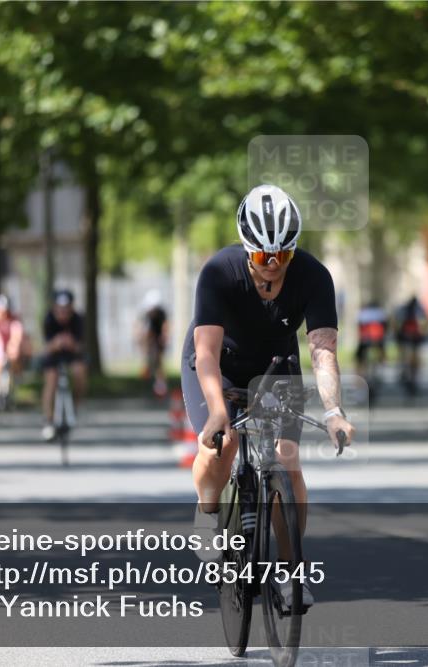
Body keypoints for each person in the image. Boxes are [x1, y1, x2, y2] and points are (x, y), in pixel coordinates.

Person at [182, 184, 355, 610]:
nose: (273, 265)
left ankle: (290, 570)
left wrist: (334, 410)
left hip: (276, 365)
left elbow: (322, 350)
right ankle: (206, 515)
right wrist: (218, 412)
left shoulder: (313, 276)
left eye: (283, 255)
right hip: (217, 362)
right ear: (247, 250)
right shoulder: (219, 272)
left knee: (287, 457)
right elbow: (205, 353)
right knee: (221, 443)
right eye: (263, 256)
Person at [41, 289, 86, 441]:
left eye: (66, 311)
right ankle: (49, 419)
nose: (63, 315)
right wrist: (56, 343)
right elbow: (46, 347)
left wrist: (71, 344)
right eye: (60, 311)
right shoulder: (48, 319)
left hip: (72, 353)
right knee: (51, 380)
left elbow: (81, 346)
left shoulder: (78, 320)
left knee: (79, 373)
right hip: (54, 354)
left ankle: (73, 407)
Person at [394, 295, 428, 395]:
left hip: (405, 336)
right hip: (415, 337)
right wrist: (425, 334)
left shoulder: (403, 309)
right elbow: (426, 323)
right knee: (415, 356)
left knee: (404, 354)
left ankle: (404, 370)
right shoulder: (420, 309)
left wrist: (397, 336)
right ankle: (412, 373)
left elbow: (396, 324)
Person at [139, 289, 169, 397]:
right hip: (150, 339)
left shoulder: (162, 313)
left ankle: (160, 386)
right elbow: (144, 332)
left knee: (159, 363)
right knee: (149, 361)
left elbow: (165, 327)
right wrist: (145, 346)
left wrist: (164, 337)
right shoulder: (146, 314)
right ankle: (147, 382)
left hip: (158, 338)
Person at [355, 302, 389, 396]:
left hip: (365, 341)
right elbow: (385, 327)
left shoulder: (362, 313)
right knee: (382, 353)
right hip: (378, 341)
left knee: (359, 361)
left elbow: (359, 327)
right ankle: (382, 365)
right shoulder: (381, 313)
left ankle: (359, 384)